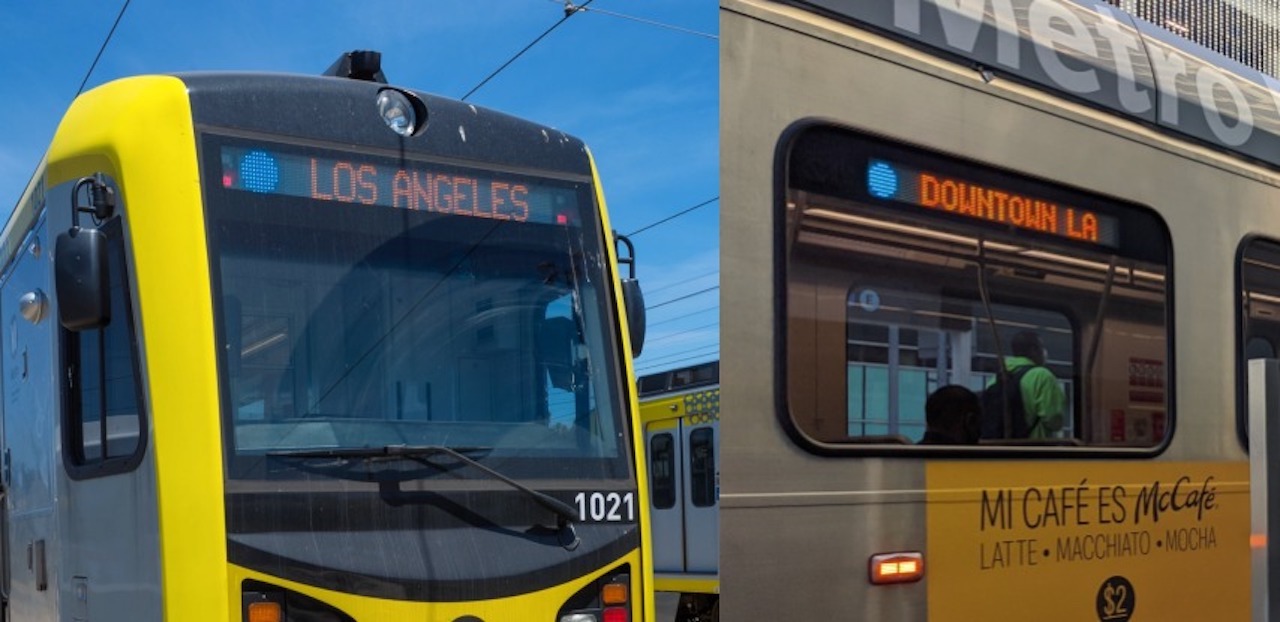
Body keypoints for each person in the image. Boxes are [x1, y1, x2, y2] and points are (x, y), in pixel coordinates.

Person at [981, 330, 1065, 440]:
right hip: (1034, 449)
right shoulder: (1042, 376)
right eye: (1041, 348)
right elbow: (1054, 421)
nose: (1044, 352)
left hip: (1002, 448)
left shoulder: (996, 379)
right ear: (1033, 350)